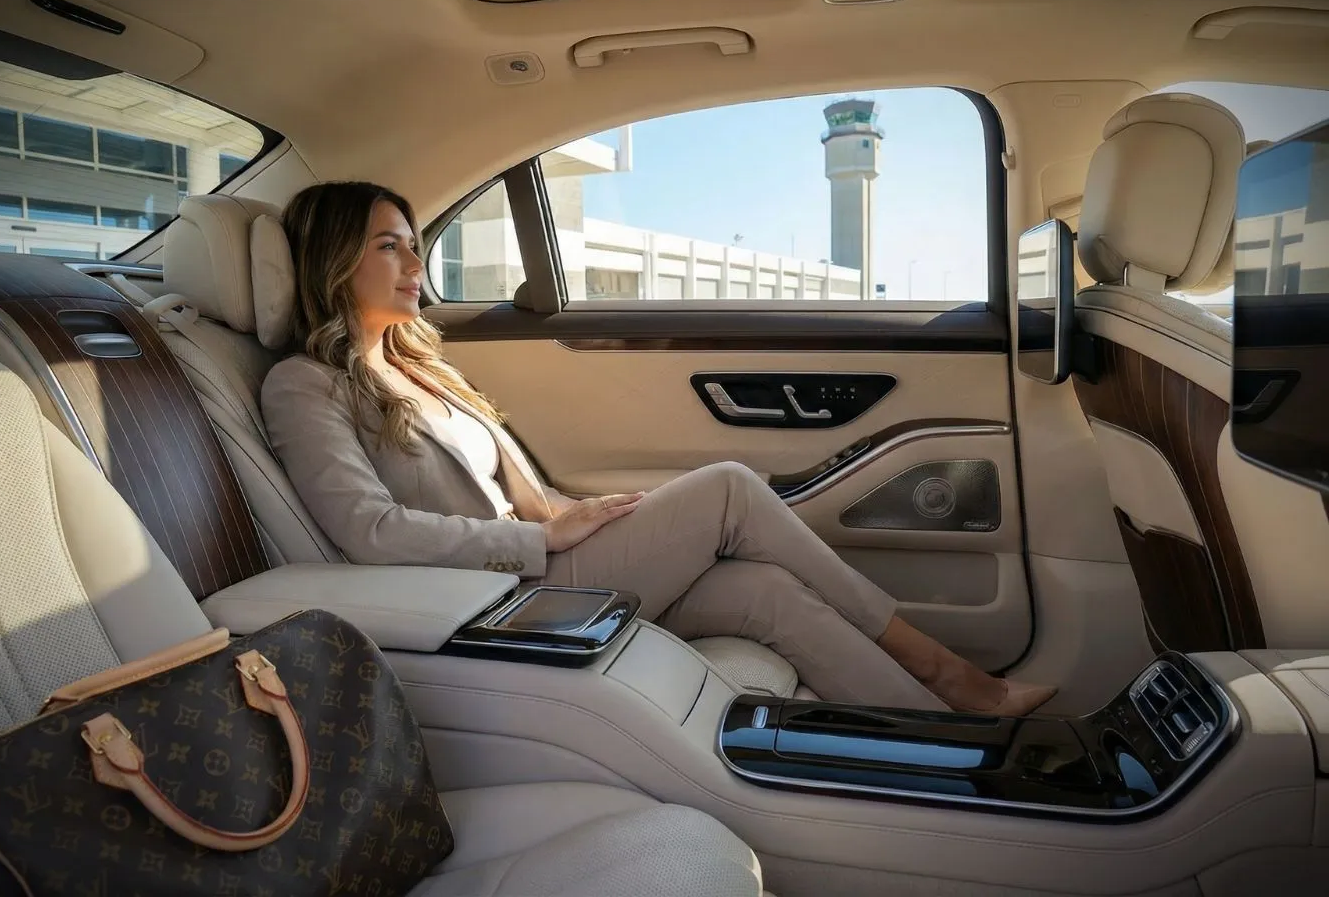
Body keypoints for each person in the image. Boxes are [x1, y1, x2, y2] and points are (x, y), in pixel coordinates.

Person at [261, 181, 1056, 715]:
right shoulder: (303, 386)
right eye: (390, 246)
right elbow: (368, 533)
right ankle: (945, 670)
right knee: (732, 488)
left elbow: (523, 492)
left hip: (541, 567)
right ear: (335, 260)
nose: (415, 262)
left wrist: (578, 514)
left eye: (413, 243)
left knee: (769, 595)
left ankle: (950, 738)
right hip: (495, 600)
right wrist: (541, 538)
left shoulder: (417, 366)